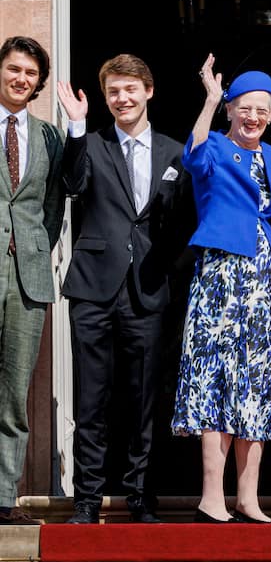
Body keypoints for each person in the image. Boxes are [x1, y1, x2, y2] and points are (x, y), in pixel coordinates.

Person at [57, 54, 192, 524]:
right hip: (94, 289)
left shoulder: (176, 153)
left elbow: (182, 225)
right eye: (113, 91)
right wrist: (76, 128)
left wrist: (171, 274)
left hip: (149, 290)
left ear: (148, 91)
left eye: (130, 89)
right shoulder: (90, 145)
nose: (122, 98)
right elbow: (72, 185)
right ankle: (88, 501)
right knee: (91, 400)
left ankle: (140, 498)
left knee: (144, 401)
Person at [171, 53, 271, 524]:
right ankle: (210, 497)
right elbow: (192, 154)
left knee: (257, 383)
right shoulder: (216, 147)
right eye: (245, 106)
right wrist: (208, 99)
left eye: (263, 109)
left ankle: (248, 497)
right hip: (222, 276)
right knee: (216, 379)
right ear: (230, 108)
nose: (254, 116)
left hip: (264, 278)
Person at [0, 37, 65, 526]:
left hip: (27, 277)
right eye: (14, 69)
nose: (21, 79)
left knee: (14, 393)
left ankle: (3, 499)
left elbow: (52, 208)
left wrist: (36, 249)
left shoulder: (47, 137)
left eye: (30, 74)